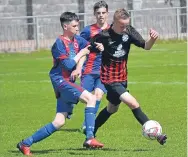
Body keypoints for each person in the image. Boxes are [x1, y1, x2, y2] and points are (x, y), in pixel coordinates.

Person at [16, 12, 105, 156]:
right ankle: (89, 137)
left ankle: (25, 143)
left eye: (78, 25)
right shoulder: (59, 44)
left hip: (67, 81)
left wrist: (98, 46)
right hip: (60, 80)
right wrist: (80, 55)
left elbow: (89, 48)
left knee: (59, 122)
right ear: (65, 26)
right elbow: (69, 64)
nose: (78, 28)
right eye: (74, 26)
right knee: (91, 98)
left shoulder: (77, 40)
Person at [89, 8, 167, 145]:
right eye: (122, 25)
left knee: (112, 109)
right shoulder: (103, 35)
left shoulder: (129, 31)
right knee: (133, 103)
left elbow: (146, 46)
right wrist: (97, 48)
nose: (125, 28)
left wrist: (152, 39)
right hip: (109, 78)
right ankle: (157, 134)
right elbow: (90, 47)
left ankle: (90, 132)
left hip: (122, 78)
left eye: (126, 25)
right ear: (114, 22)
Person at [78, 0, 110, 132]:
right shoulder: (87, 31)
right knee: (83, 98)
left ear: (107, 13)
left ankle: (88, 124)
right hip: (89, 70)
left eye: (103, 13)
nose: (101, 15)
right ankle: (67, 110)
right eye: (98, 13)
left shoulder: (112, 30)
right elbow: (81, 49)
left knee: (98, 95)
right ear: (94, 14)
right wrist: (78, 67)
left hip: (105, 71)